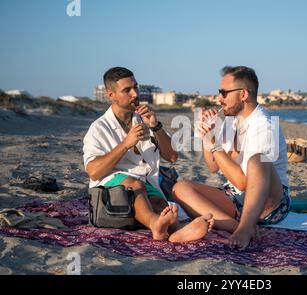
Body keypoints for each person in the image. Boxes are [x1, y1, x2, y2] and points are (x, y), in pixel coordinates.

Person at [83, 67, 213, 242]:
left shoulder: (143, 120)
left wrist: (155, 126)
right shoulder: (99, 128)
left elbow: (173, 157)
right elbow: (93, 172)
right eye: (127, 90)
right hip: (110, 188)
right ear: (111, 94)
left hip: (145, 183)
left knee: (159, 203)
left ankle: (177, 232)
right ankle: (155, 225)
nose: (135, 94)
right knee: (134, 184)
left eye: (136, 87)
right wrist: (126, 144)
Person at [172, 66, 290, 250]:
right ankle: (237, 226)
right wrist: (207, 136)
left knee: (257, 160)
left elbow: (243, 182)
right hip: (235, 197)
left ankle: (245, 227)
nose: (219, 98)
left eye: (224, 93)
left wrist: (215, 145)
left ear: (243, 94)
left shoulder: (264, 126)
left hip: (270, 204)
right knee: (180, 188)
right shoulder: (232, 122)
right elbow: (213, 166)